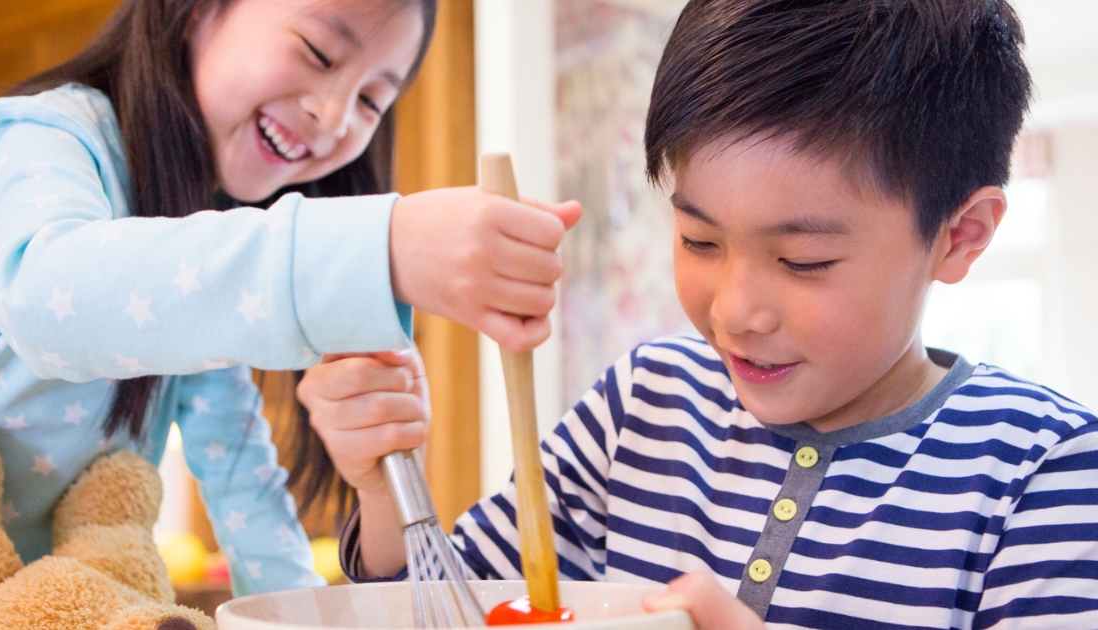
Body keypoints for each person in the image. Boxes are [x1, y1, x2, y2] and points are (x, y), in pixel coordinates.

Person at [302, 0, 1098, 627]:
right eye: (699, 239)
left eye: (803, 261)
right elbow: (444, 613)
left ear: (960, 236)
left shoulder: (1044, 471)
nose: (736, 310)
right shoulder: (643, 405)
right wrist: (386, 493)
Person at [0, 0, 581, 603]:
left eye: (373, 100)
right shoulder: (39, 133)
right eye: (319, 52)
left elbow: (243, 487)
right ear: (195, 8)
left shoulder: (195, 253)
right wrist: (385, 245)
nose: (334, 115)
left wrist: (305, 613)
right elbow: (48, 298)